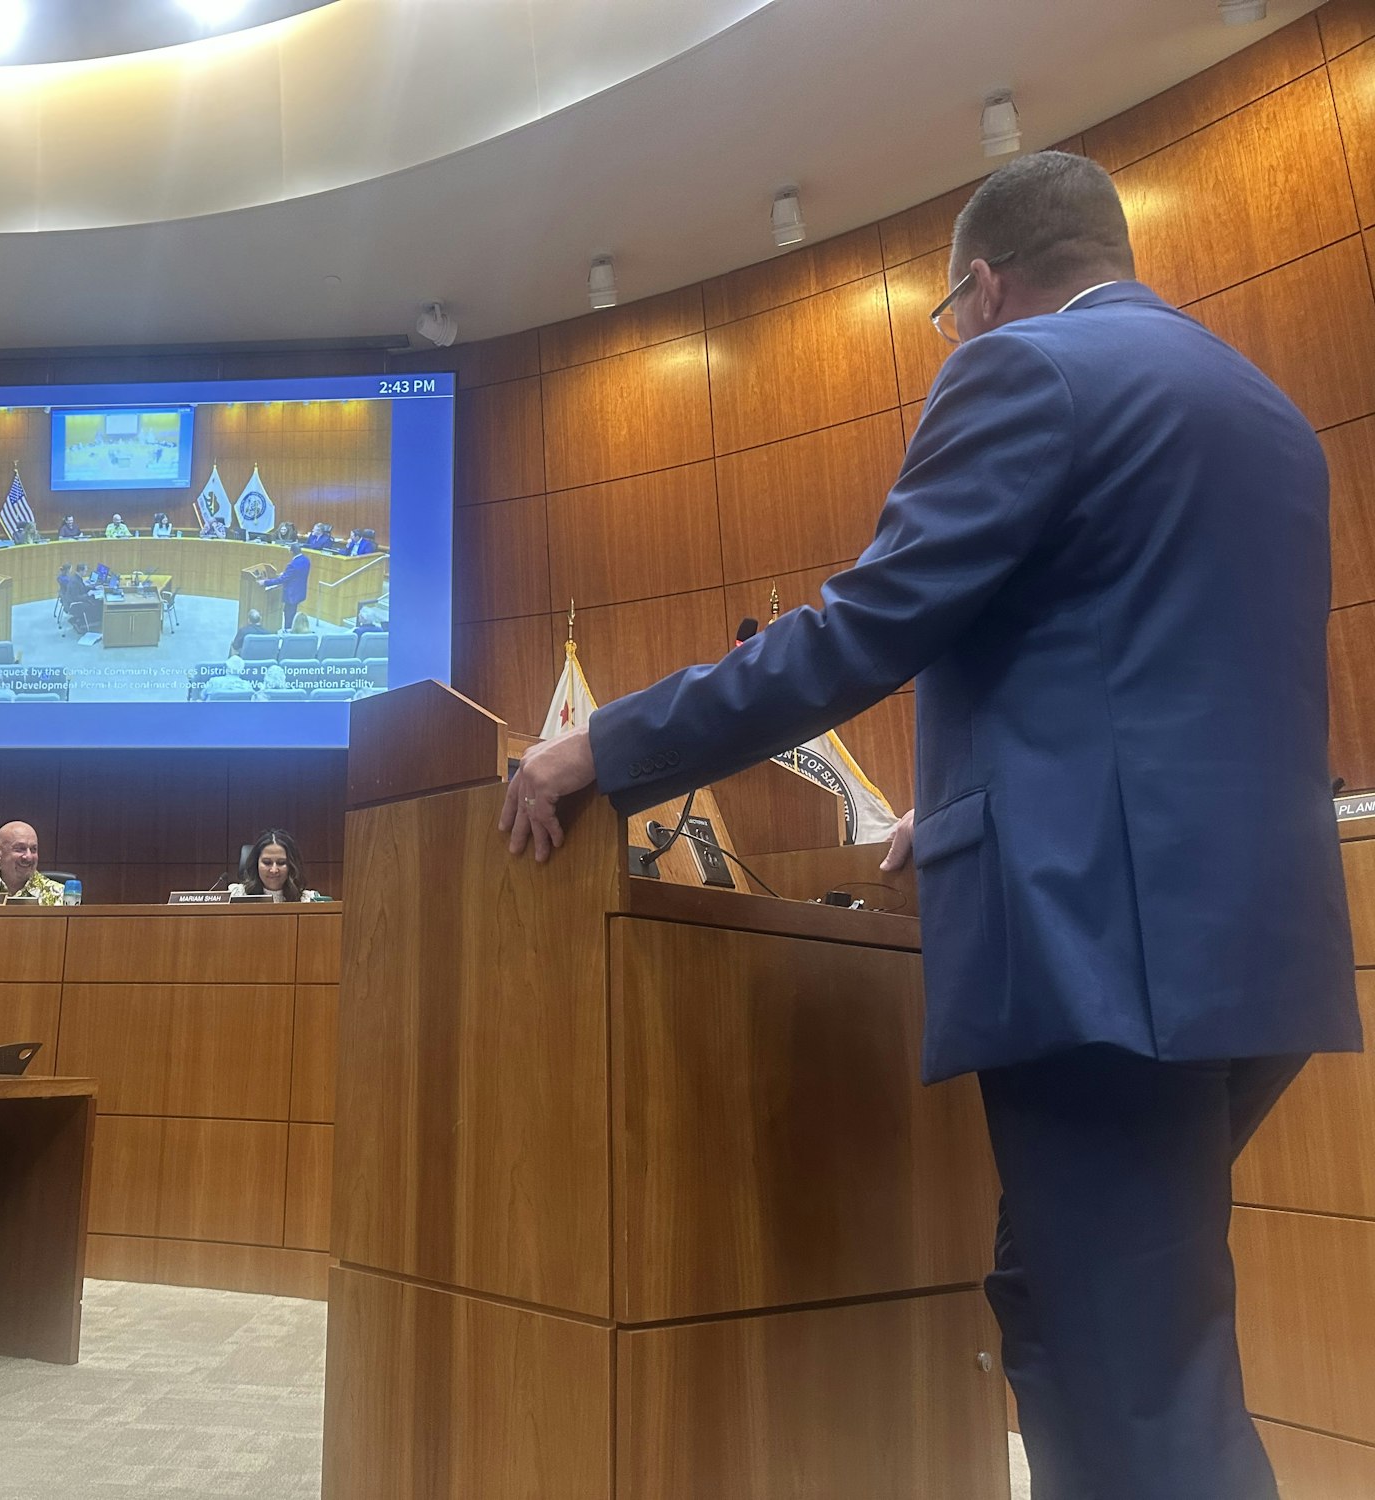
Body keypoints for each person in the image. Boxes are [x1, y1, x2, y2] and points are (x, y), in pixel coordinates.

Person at [498, 151, 1360, 1500]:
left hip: (1103, 950)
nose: (953, 341)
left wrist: (600, 748)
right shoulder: (1262, 409)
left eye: (949, 319)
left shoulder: (1025, 370)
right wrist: (964, 810)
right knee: (1086, 1315)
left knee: (1132, 1382)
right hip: (1257, 948)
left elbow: (861, 632)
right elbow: (1150, 669)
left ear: (986, 285)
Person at [230, 829, 329, 902]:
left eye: (281, 863)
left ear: (292, 865)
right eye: (267, 862)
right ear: (256, 864)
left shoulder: (308, 900)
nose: (274, 870)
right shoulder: (236, 895)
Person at [260, 542, 311, 632]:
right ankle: (291, 629)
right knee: (292, 612)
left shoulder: (292, 565)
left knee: (288, 614)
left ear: (291, 552)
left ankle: (288, 631)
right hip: (300, 592)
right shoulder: (306, 560)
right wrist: (287, 574)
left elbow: (282, 580)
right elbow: (297, 574)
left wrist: (265, 582)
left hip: (291, 594)